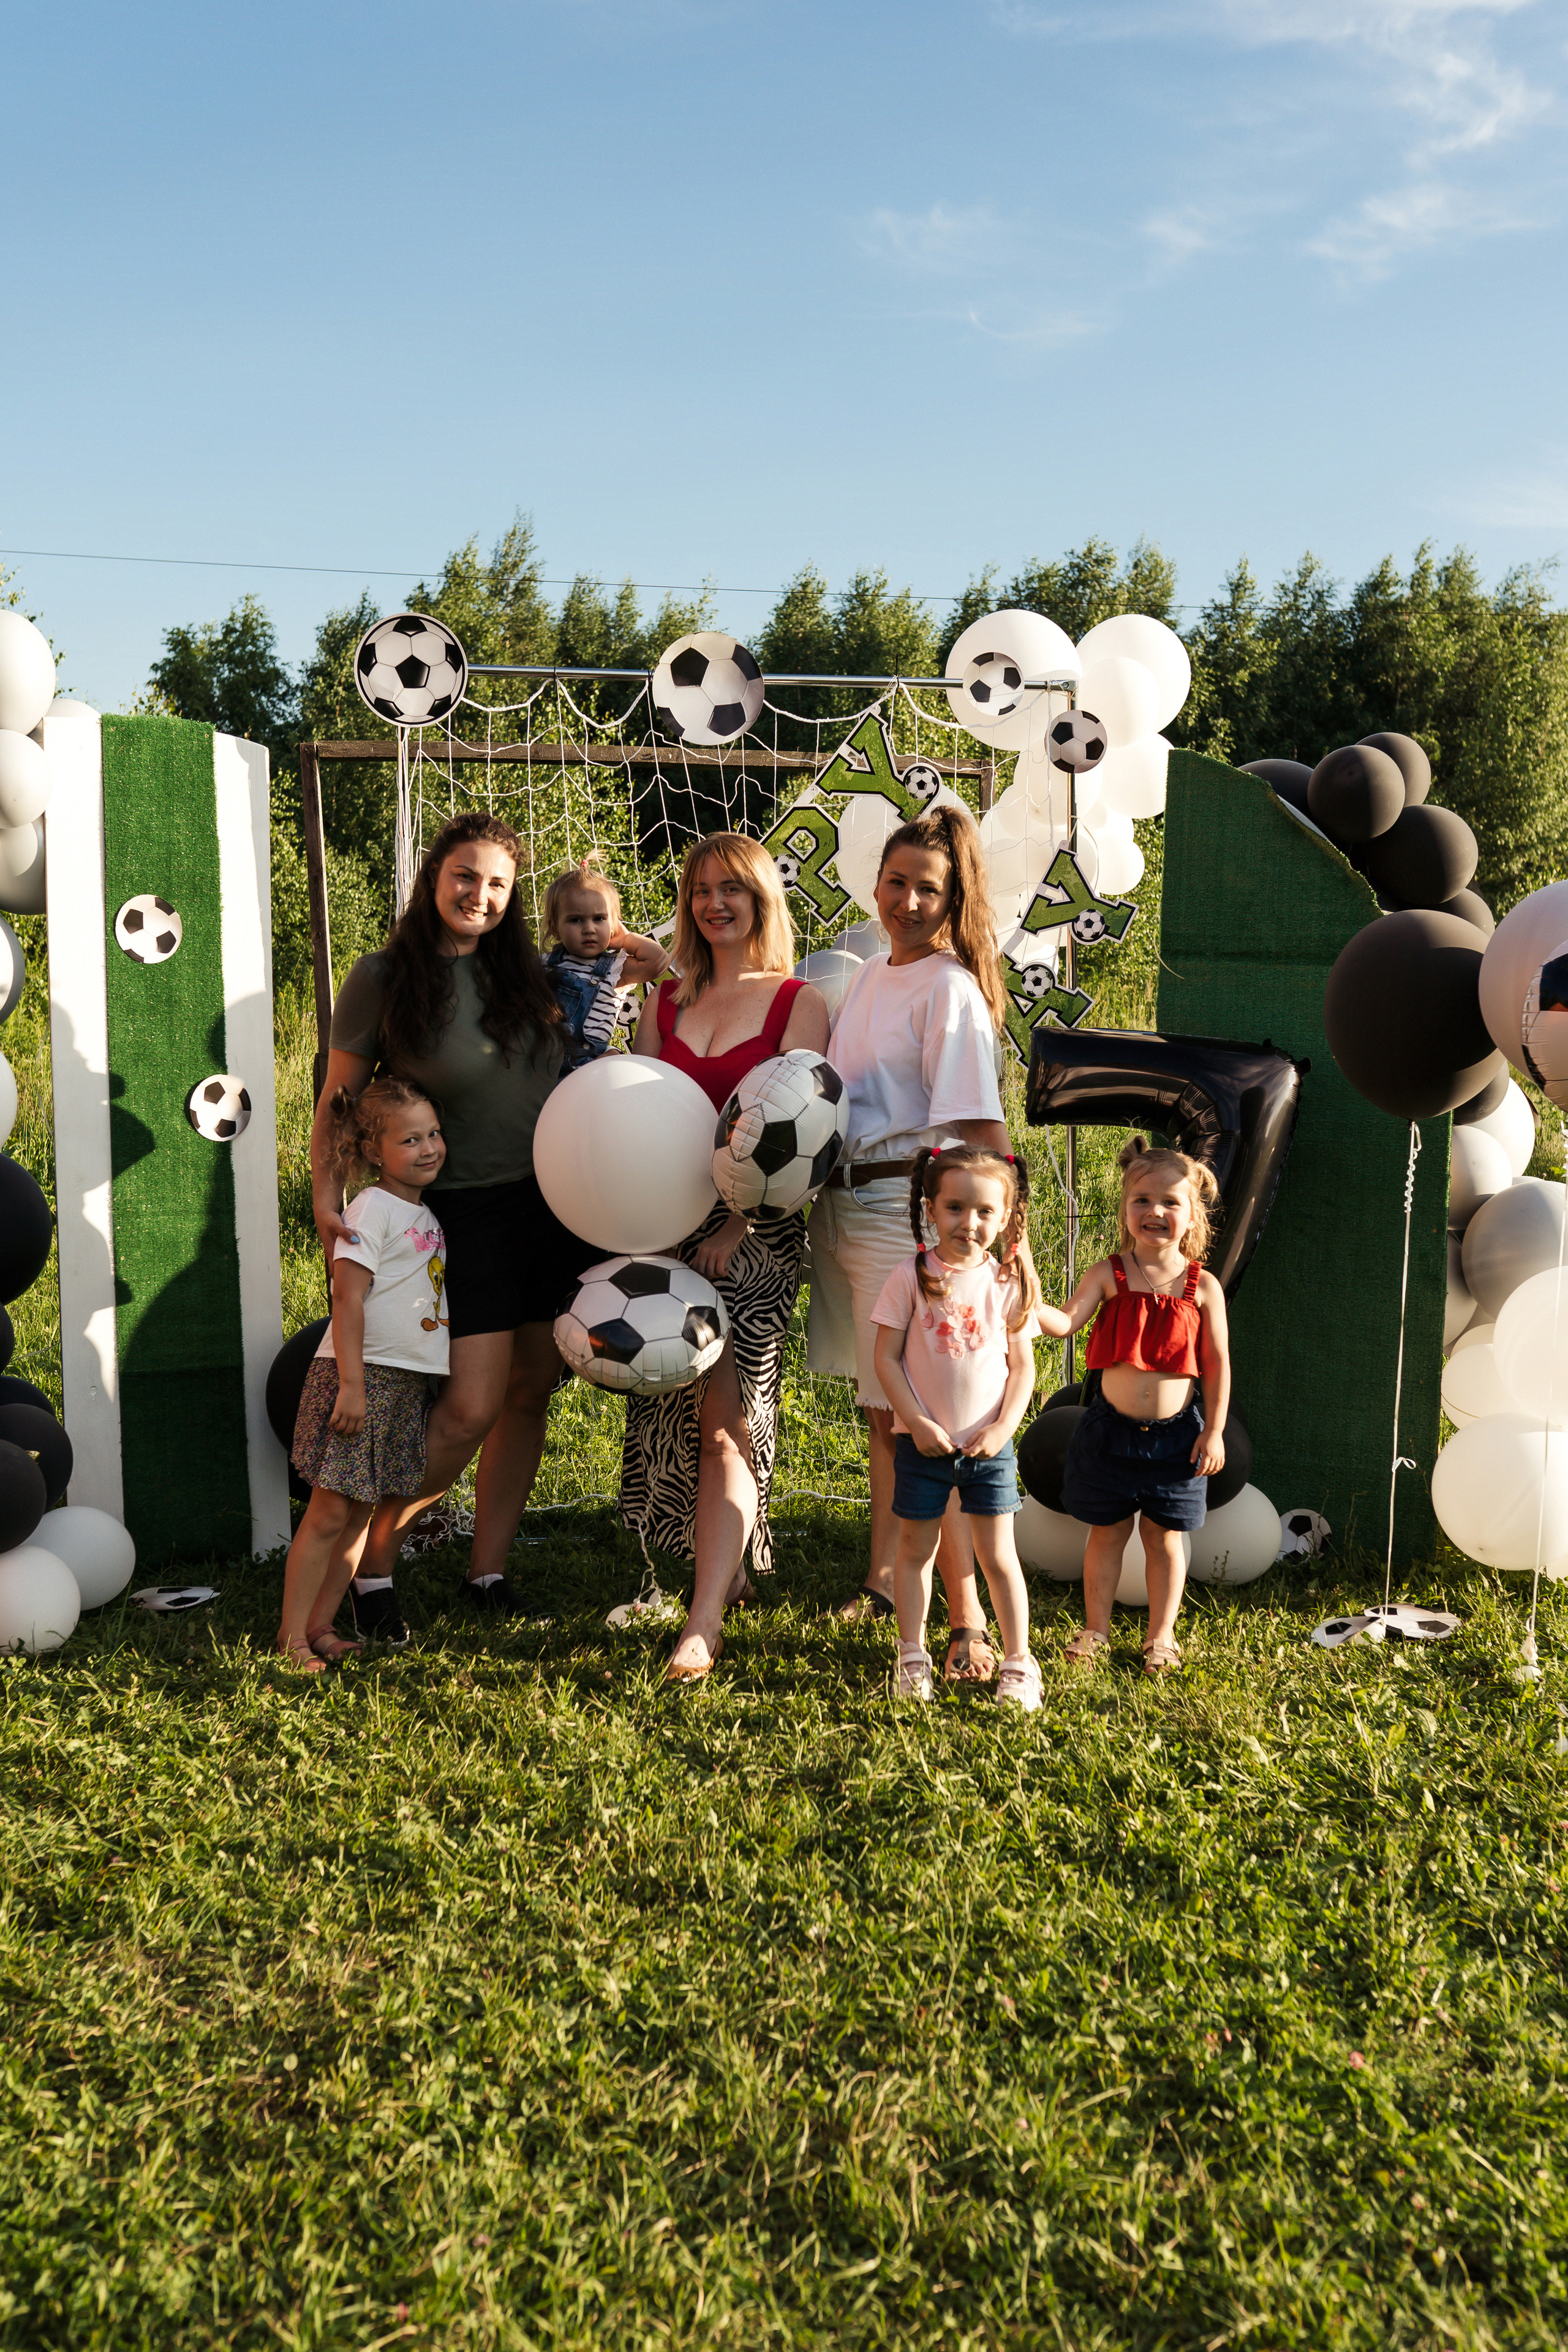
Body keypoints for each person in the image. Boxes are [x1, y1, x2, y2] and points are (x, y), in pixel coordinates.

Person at [312, 810, 598, 1634]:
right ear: (435, 876)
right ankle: (371, 1572)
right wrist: (326, 1198)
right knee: (469, 1407)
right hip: (454, 1212)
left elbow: (622, 974)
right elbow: (338, 1103)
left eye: (498, 884)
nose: (479, 895)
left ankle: (488, 1571)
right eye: (465, 876)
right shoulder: (384, 976)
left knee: (530, 1391)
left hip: (551, 1202)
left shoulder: (534, 976)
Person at [807, 804, 1039, 1681]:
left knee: (926, 1425)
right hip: (845, 1205)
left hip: (903, 1213)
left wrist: (1006, 1239)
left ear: (953, 902)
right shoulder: (872, 976)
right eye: (896, 882)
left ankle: (967, 1622)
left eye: (928, 889)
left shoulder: (948, 989)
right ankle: (883, 1581)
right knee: (885, 1418)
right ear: (875, 883)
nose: (907, 900)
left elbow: (977, 1124)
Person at [624, 832, 830, 1681]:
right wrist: (648, 1225)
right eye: (701, 889)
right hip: (669, 1223)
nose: (715, 903)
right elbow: (633, 1118)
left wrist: (736, 1228)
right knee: (679, 1408)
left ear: (759, 900)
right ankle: (728, 1568)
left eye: (732, 889)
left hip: (758, 1228)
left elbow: (810, 1138)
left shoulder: (798, 1002)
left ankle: (702, 1622)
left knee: (723, 1419)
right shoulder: (664, 1003)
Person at [1037, 1135, 1230, 1676]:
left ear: (1192, 1215)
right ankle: (1095, 1630)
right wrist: (1026, 1296)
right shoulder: (1109, 1273)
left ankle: (1161, 1638)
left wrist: (1213, 1430)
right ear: (1125, 1209)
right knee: (1107, 1533)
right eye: (1142, 1200)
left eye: (1171, 1202)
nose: (1156, 1211)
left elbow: (1217, 1365)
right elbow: (1065, 1323)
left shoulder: (1203, 1286)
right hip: (1109, 1433)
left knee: (1165, 1539)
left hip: (1177, 1438)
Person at [277, 1080, 448, 1671]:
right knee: (329, 1512)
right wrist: (351, 1384)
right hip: (360, 1376)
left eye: (433, 1134)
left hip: (399, 1382)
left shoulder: (422, 1212)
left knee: (359, 1512)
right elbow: (347, 1299)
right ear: (376, 1153)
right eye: (411, 1140)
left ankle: (323, 1624)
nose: (428, 1148)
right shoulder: (372, 1208)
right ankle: (292, 1636)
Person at [872, 1146, 1043, 1709]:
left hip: (988, 1448)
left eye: (985, 1212)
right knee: (916, 1551)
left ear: (1006, 1216)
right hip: (924, 1447)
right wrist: (915, 1421)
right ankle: (912, 1657)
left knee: (999, 1558)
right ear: (930, 1207)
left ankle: (1019, 1664)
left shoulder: (1008, 1283)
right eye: (955, 1208)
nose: (969, 1223)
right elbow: (886, 1360)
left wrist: (1002, 1429)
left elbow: (1024, 1368)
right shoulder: (909, 1277)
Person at [541, 855, 669, 1071]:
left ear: (613, 924)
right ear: (555, 928)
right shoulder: (544, 965)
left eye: (599, 919)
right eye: (576, 920)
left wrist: (624, 939)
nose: (589, 928)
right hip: (543, 1066)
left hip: (590, 1067)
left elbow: (659, 962)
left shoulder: (615, 970)